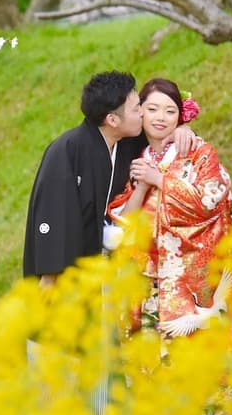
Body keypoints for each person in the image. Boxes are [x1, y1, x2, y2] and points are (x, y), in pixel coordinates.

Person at [23, 71, 195, 284]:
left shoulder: (126, 141)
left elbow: (161, 132)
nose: (143, 113)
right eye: (136, 109)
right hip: (69, 273)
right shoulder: (67, 150)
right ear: (112, 119)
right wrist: (49, 279)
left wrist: (182, 129)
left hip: (109, 268)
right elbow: (55, 217)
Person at [108, 77, 232, 340]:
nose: (161, 118)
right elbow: (124, 223)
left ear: (181, 117)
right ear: (140, 112)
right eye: (153, 109)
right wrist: (144, 186)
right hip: (147, 277)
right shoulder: (136, 156)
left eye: (170, 111)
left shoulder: (198, 151)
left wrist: (160, 180)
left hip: (190, 277)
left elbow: (210, 201)